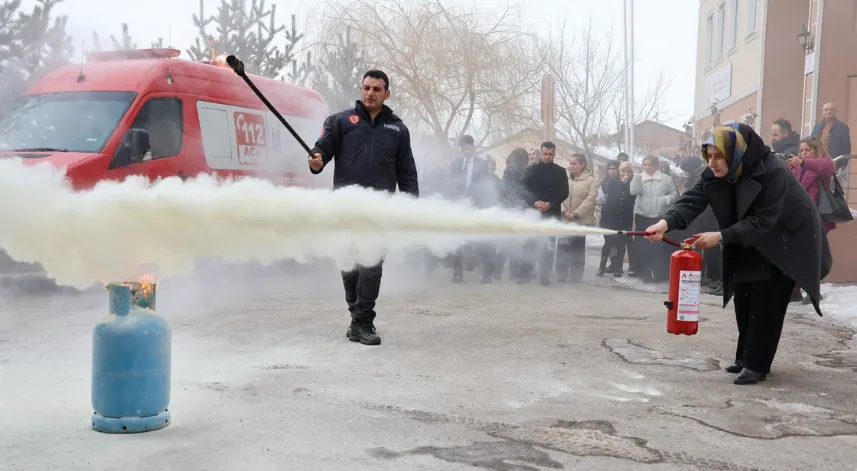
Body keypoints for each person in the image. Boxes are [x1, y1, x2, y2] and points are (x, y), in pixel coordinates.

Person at [644, 122, 832, 385]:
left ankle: (757, 365)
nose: (713, 163)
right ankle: (745, 358)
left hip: (786, 238)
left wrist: (720, 236)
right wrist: (665, 223)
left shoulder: (773, 170)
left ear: (736, 152)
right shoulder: (715, 172)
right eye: (709, 156)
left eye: (719, 155)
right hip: (748, 235)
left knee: (766, 299)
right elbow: (692, 199)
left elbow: (764, 220)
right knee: (744, 291)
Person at [309, 69, 419, 346]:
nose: (370, 93)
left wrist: (411, 204)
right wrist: (317, 160)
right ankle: (356, 317)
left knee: (371, 264)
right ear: (361, 90)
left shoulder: (397, 129)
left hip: (380, 209)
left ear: (387, 94)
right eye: (366, 88)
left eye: (377, 89)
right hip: (346, 206)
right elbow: (321, 150)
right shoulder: (341, 121)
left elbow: (407, 171)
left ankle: (363, 321)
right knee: (349, 265)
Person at [786, 135, 837, 304]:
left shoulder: (824, 163)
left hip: (819, 218)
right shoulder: (797, 166)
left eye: (808, 150)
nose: (804, 153)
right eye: (801, 150)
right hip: (799, 217)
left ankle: (813, 291)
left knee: (813, 255)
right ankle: (794, 290)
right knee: (797, 254)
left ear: (817, 150)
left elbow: (825, 166)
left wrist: (801, 163)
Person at [519, 141, 570, 285]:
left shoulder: (560, 171)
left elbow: (564, 192)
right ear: (540, 153)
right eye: (545, 154)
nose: (547, 157)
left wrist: (551, 203)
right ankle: (524, 275)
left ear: (554, 154)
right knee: (530, 243)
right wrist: (535, 202)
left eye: (550, 154)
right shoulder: (531, 170)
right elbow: (523, 189)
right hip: (533, 213)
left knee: (549, 245)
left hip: (551, 213)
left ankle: (545, 276)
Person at [447, 135, 491, 283]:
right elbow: (451, 183)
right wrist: (457, 197)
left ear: (473, 147)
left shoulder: (483, 164)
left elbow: (485, 185)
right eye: (463, 149)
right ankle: (457, 273)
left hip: (476, 207)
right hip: (460, 207)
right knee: (458, 240)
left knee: (481, 240)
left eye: (467, 148)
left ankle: (487, 274)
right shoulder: (456, 164)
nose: (465, 151)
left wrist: (474, 198)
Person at [630, 155, 678, 283]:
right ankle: (644, 271)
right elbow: (633, 191)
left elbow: (674, 194)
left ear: (656, 166)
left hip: (659, 216)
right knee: (643, 245)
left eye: (649, 164)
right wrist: (636, 176)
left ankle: (658, 272)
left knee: (658, 245)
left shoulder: (665, 179)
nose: (646, 167)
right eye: (644, 164)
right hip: (642, 215)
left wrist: (665, 200)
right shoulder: (640, 178)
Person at [558, 153, 597, 282]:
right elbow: (557, 196)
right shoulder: (564, 178)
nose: (571, 166)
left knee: (577, 249)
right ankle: (561, 275)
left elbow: (590, 199)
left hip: (580, 221)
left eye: (574, 163)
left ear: (582, 165)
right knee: (563, 247)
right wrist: (564, 211)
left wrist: (576, 213)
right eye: (570, 163)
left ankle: (576, 277)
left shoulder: (590, 180)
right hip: (564, 221)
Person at [597, 160, 635, 276]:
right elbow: (612, 200)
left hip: (625, 218)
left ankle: (618, 267)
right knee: (609, 243)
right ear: (620, 172)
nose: (625, 174)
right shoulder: (613, 183)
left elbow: (632, 199)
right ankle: (602, 267)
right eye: (623, 171)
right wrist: (622, 184)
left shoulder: (633, 184)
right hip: (611, 217)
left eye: (628, 171)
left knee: (621, 243)